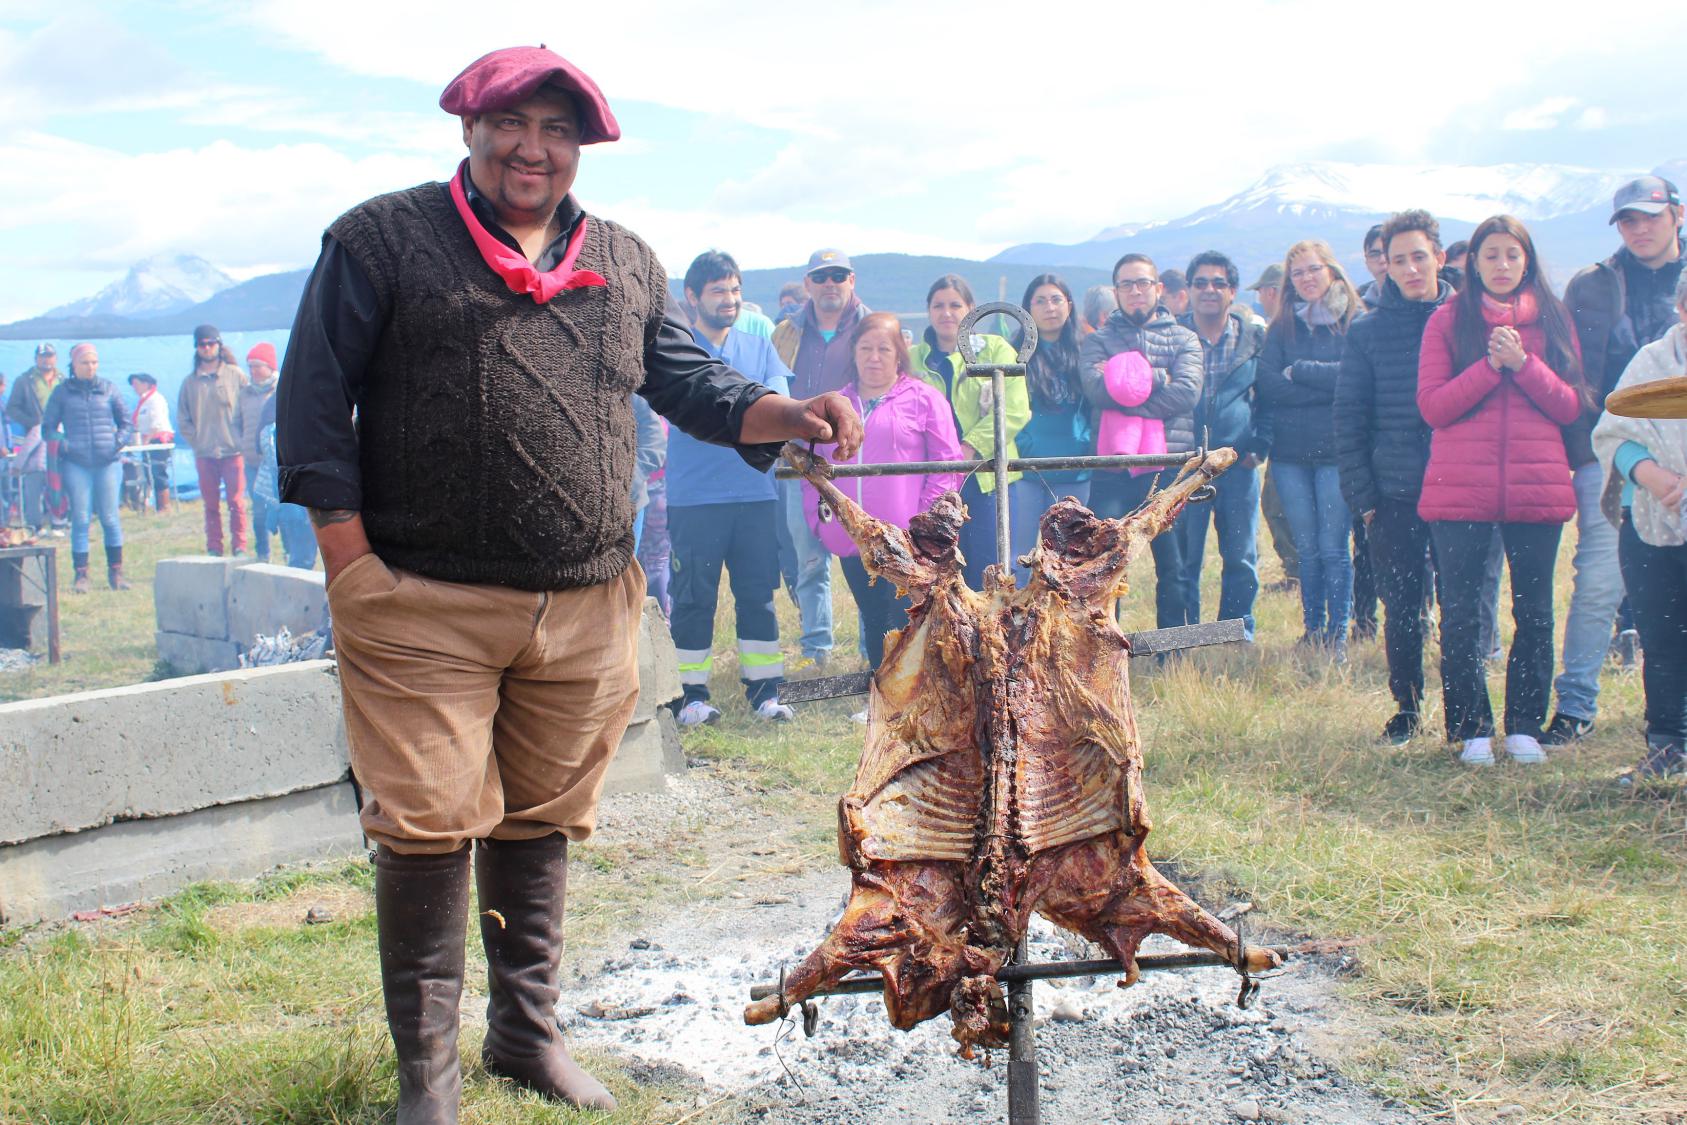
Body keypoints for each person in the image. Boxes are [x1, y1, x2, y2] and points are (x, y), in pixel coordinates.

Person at [274, 45, 861, 1121]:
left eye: (555, 129)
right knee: (424, 820)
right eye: (510, 124)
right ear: (468, 129)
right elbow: (314, 401)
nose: (530, 148)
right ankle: (428, 1081)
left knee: (540, 817)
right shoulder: (381, 239)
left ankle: (525, 1039)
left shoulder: (627, 260)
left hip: (586, 598)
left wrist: (785, 418)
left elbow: (688, 379)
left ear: (581, 146)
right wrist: (349, 562)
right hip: (419, 595)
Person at [1417, 215, 1585, 767]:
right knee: (1463, 611)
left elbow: (1569, 405)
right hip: (1460, 487)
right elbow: (1434, 406)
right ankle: (1471, 727)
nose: (1502, 265)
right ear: (1473, 263)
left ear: (1527, 260)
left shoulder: (1554, 318)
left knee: (1534, 610)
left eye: (1513, 254)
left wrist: (1524, 364)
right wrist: (1491, 368)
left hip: (1536, 488)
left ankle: (1524, 727)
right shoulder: (1447, 321)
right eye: (1491, 255)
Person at [1551, 176, 1685, 745]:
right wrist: (1607, 454)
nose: (1640, 228)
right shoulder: (1594, 285)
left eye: (1650, 216)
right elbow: (1573, 368)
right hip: (1618, 458)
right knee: (1602, 584)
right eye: (1628, 220)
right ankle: (1577, 706)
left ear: (1676, 215)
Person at [1335, 209, 1455, 742]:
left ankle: (1466, 712)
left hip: (1461, 489)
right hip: (1395, 492)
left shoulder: (1465, 319)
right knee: (1402, 609)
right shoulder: (1368, 331)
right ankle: (1407, 708)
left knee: (1462, 609)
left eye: (1418, 257)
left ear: (1440, 258)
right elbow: (1350, 419)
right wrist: (1363, 498)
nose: (1408, 269)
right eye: (1397, 259)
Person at [670, 250, 798, 726]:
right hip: (695, 498)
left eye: (736, 289)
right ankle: (690, 697)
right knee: (693, 600)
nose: (731, 299)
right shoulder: (678, 351)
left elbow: (779, 405)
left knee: (758, 597)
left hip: (755, 495)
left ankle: (766, 693)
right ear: (692, 296)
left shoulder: (760, 347)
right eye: (719, 290)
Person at [804, 312, 964, 674]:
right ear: (854, 352)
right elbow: (811, 468)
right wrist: (821, 520)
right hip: (855, 538)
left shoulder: (925, 399)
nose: (874, 357)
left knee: (904, 617)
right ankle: (882, 694)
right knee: (872, 615)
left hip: (906, 539)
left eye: (883, 349)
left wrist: (923, 527)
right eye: (866, 348)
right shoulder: (834, 405)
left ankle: (912, 693)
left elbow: (945, 463)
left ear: (899, 353)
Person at [1592, 272, 1687, 782]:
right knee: (1663, 637)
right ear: (1681, 308)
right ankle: (1668, 746)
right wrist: (1651, 474)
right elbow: (1612, 431)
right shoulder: (1650, 363)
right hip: (1650, 519)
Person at [1079, 253, 1202, 628]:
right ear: (1116, 292)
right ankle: (1107, 647)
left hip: (1168, 468)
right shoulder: (1098, 341)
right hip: (1113, 467)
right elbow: (1097, 391)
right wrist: (1159, 377)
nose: (1136, 291)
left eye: (1143, 283)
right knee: (1107, 562)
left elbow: (1187, 392)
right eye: (1127, 285)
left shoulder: (1184, 338)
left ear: (1158, 289)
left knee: (1174, 563)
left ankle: (1171, 650)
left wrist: (1130, 389)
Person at [1257, 239, 1361, 659]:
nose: (1306, 279)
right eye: (1297, 273)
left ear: (1332, 271)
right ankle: (1312, 629)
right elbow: (1267, 384)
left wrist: (1299, 373)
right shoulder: (1282, 326)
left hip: (1338, 452)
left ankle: (1337, 635)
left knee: (1336, 548)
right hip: (1290, 454)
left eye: (1313, 269)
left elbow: (1352, 380)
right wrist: (1321, 389)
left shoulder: (1354, 321)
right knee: (1308, 548)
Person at [771, 248, 869, 665]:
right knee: (809, 557)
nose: (830, 284)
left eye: (838, 275)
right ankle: (817, 652)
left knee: (871, 556)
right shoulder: (785, 333)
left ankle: (875, 651)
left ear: (852, 281)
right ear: (808, 283)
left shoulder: (873, 327)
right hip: (800, 457)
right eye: (821, 276)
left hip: (858, 457)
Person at [909, 273, 1031, 589]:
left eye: (955, 305)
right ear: (928, 311)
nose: (946, 313)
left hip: (987, 479)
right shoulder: (911, 360)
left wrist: (968, 450)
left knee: (992, 570)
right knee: (939, 574)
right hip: (932, 482)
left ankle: (994, 637)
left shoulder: (996, 350)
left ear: (971, 309)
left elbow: (1015, 410)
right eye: (938, 305)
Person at [1176, 251, 1265, 639]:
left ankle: (1234, 632)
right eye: (1200, 283)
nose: (1209, 290)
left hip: (1238, 464)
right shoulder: (1174, 337)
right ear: (1189, 290)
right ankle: (1186, 634)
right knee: (1184, 558)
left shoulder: (1255, 340)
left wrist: (1260, 444)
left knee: (1241, 556)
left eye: (1218, 283)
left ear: (1232, 291)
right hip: (1186, 466)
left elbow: (1270, 398)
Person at [40, 344, 132, 592]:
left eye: (94, 362)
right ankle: (81, 576)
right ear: (75, 365)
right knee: (80, 519)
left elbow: (126, 422)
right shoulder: (61, 393)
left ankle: (117, 574)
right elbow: (47, 428)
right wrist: (64, 446)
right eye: (85, 363)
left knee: (111, 518)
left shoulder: (109, 389)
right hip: (77, 464)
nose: (90, 367)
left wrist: (117, 442)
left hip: (107, 462)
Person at [1013, 274, 1093, 530]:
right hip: (1026, 470)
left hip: (1075, 469)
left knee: (1069, 558)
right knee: (1017, 556)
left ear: (1069, 304)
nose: (1050, 307)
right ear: (1028, 309)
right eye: (1041, 301)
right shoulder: (1013, 353)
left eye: (1056, 299)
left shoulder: (1088, 349)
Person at [178, 324, 248, 556]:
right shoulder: (190, 383)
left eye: (211, 343)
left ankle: (239, 546)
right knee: (210, 505)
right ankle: (214, 547)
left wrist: (242, 439)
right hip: (205, 452)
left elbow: (249, 408)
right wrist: (197, 441)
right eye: (202, 344)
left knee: (236, 503)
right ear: (196, 348)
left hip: (233, 451)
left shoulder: (235, 375)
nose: (206, 348)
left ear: (219, 345)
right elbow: (183, 417)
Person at [7, 342, 61, 535]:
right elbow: (12, 408)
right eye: (43, 356)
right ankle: (34, 524)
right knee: (34, 482)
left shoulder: (63, 379)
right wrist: (33, 422)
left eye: (50, 356)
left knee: (60, 481)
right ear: (36, 359)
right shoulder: (24, 380)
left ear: (55, 358)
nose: (47, 359)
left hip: (60, 436)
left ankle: (60, 522)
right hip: (35, 436)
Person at [241, 343, 281, 562]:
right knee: (258, 510)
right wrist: (243, 444)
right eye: (250, 367)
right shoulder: (245, 394)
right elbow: (237, 422)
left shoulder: (282, 389)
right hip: (253, 462)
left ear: (269, 366)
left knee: (284, 510)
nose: (253, 371)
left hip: (277, 463)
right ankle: (262, 553)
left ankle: (288, 551)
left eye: (257, 366)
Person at [127, 373, 173, 511]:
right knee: (150, 473)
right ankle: (155, 505)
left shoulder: (155, 399)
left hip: (158, 440)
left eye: (137, 384)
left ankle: (165, 506)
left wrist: (147, 438)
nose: (134, 388)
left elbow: (157, 422)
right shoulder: (143, 402)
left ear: (146, 384)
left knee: (158, 472)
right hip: (147, 441)